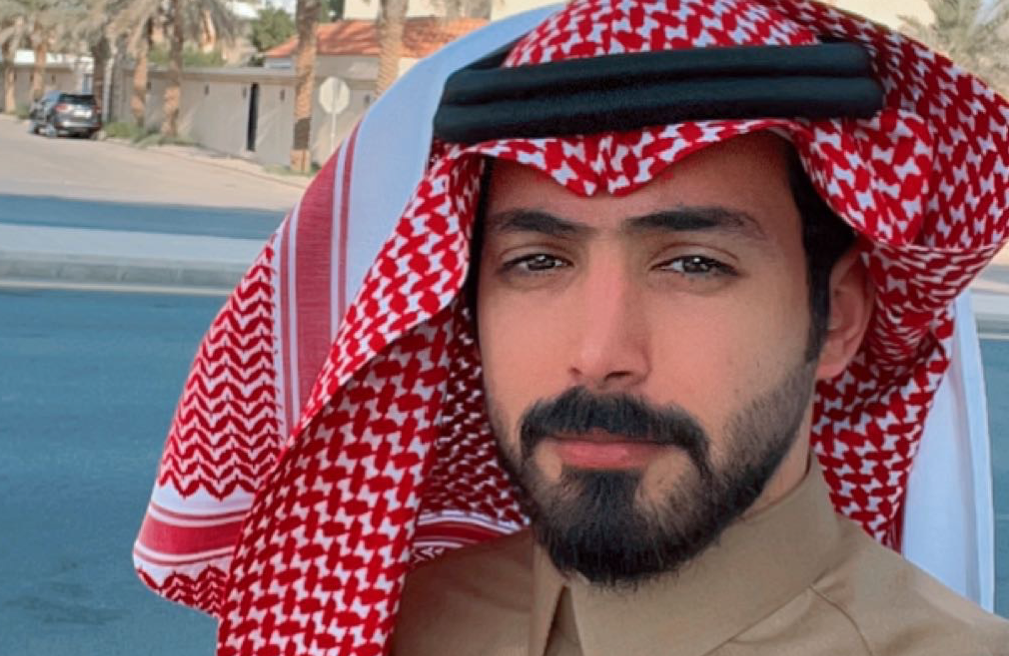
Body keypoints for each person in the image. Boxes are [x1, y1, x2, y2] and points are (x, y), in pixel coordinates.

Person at [133, 1, 1009, 654]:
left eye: (693, 265)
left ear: (839, 320)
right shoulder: (391, 629)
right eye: (537, 263)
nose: (597, 356)